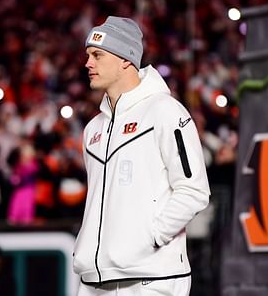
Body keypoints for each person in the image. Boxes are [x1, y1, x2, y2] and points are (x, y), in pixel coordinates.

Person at [73, 16, 210, 296]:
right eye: (88, 55)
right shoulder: (92, 130)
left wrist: (150, 237)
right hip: (93, 282)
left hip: (151, 279)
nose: (88, 63)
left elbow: (194, 190)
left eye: (97, 55)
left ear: (125, 60)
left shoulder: (165, 111)